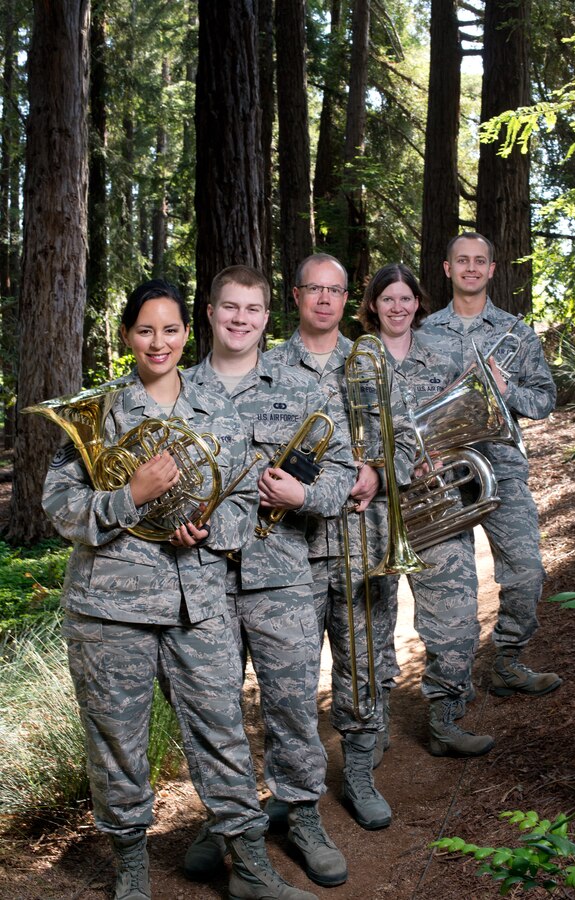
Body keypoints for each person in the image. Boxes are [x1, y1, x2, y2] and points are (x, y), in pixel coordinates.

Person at [41, 279, 319, 900]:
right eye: (145, 330)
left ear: (187, 334)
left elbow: (246, 502)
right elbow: (58, 508)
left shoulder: (217, 408)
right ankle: (131, 866)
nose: (158, 342)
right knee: (118, 742)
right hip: (110, 607)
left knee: (222, 731)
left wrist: (208, 527)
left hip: (199, 602)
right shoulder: (102, 410)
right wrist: (129, 497)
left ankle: (248, 866)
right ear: (126, 337)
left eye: (170, 330)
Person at [182, 266, 356, 888]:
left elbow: (343, 472)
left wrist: (302, 491)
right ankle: (227, 823)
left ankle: (302, 813)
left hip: (282, 573)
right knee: (214, 713)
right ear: (210, 311)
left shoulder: (300, 385)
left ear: (265, 316)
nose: (241, 319)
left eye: (252, 310)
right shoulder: (176, 389)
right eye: (230, 307)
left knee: (290, 705)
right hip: (197, 579)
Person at [266, 254, 416, 829]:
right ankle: (290, 787)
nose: (324, 300)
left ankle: (357, 772)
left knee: (362, 666)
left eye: (336, 290)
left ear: (347, 298)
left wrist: (379, 472)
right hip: (292, 549)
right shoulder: (270, 364)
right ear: (297, 295)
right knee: (291, 676)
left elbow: (405, 441)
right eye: (314, 290)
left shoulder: (370, 360)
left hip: (364, 542)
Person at [358, 262, 495, 756]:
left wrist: (440, 448)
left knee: (457, 618)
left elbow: (470, 416)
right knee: (370, 625)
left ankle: (446, 720)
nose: (398, 307)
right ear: (373, 305)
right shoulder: (353, 360)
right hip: (371, 510)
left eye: (406, 298)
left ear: (418, 303)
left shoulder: (444, 352)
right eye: (388, 298)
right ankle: (370, 733)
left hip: (436, 503)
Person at [419, 233, 562, 698]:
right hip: (444, 473)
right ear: (447, 269)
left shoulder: (516, 333)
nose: (472, 268)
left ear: (492, 269)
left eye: (480, 261)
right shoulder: (423, 334)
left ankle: (508, 658)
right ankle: (446, 696)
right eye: (463, 261)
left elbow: (544, 399)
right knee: (449, 592)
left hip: (502, 467)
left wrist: (507, 393)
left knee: (526, 571)